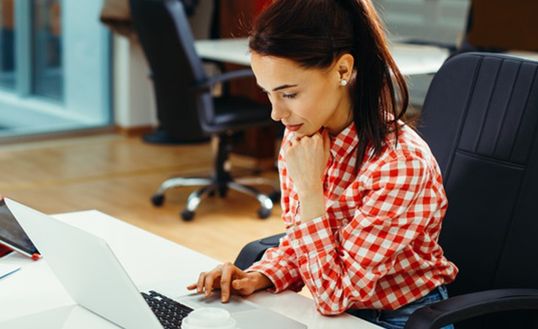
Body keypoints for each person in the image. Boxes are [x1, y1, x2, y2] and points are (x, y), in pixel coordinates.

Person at [187, 1, 458, 328]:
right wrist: (258, 275)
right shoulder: (302, 135)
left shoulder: (399, 164)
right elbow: (305, 242)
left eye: (289, 94)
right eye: (269, 94)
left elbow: (334, 294)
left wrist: (311, 191)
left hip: (406, 318)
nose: (276, 114)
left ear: (343, 71)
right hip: (342, 314)